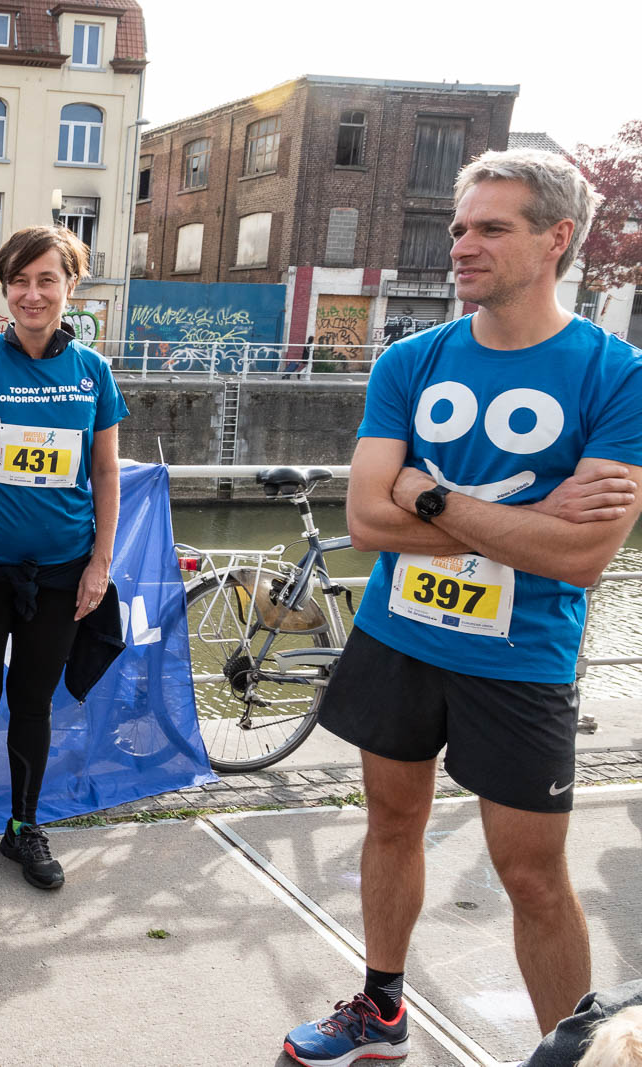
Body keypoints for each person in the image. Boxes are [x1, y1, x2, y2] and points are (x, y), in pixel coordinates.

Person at [283, 149, 642, 1066]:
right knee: (391, 821)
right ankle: (382, 1009)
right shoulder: (412, 359)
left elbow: (584, 551)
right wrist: (520, 520)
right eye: (459, 227)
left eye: (492, 227)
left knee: (532, 874)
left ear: (557, 239)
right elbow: (366, 517)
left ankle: (573, 1052)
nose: (462, 245)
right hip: (400, 636)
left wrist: (432, 497)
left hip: (521, 659)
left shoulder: (616, 374)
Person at [0, 225, 126, 891]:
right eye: (19, 281)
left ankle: (23, 827)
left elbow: (105, 473)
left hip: (64, 573)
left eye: (46, 279)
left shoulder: (93, 371)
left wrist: (100, 563)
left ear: (72, 286)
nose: (32, 293)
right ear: (5, 290)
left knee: (33, 701)